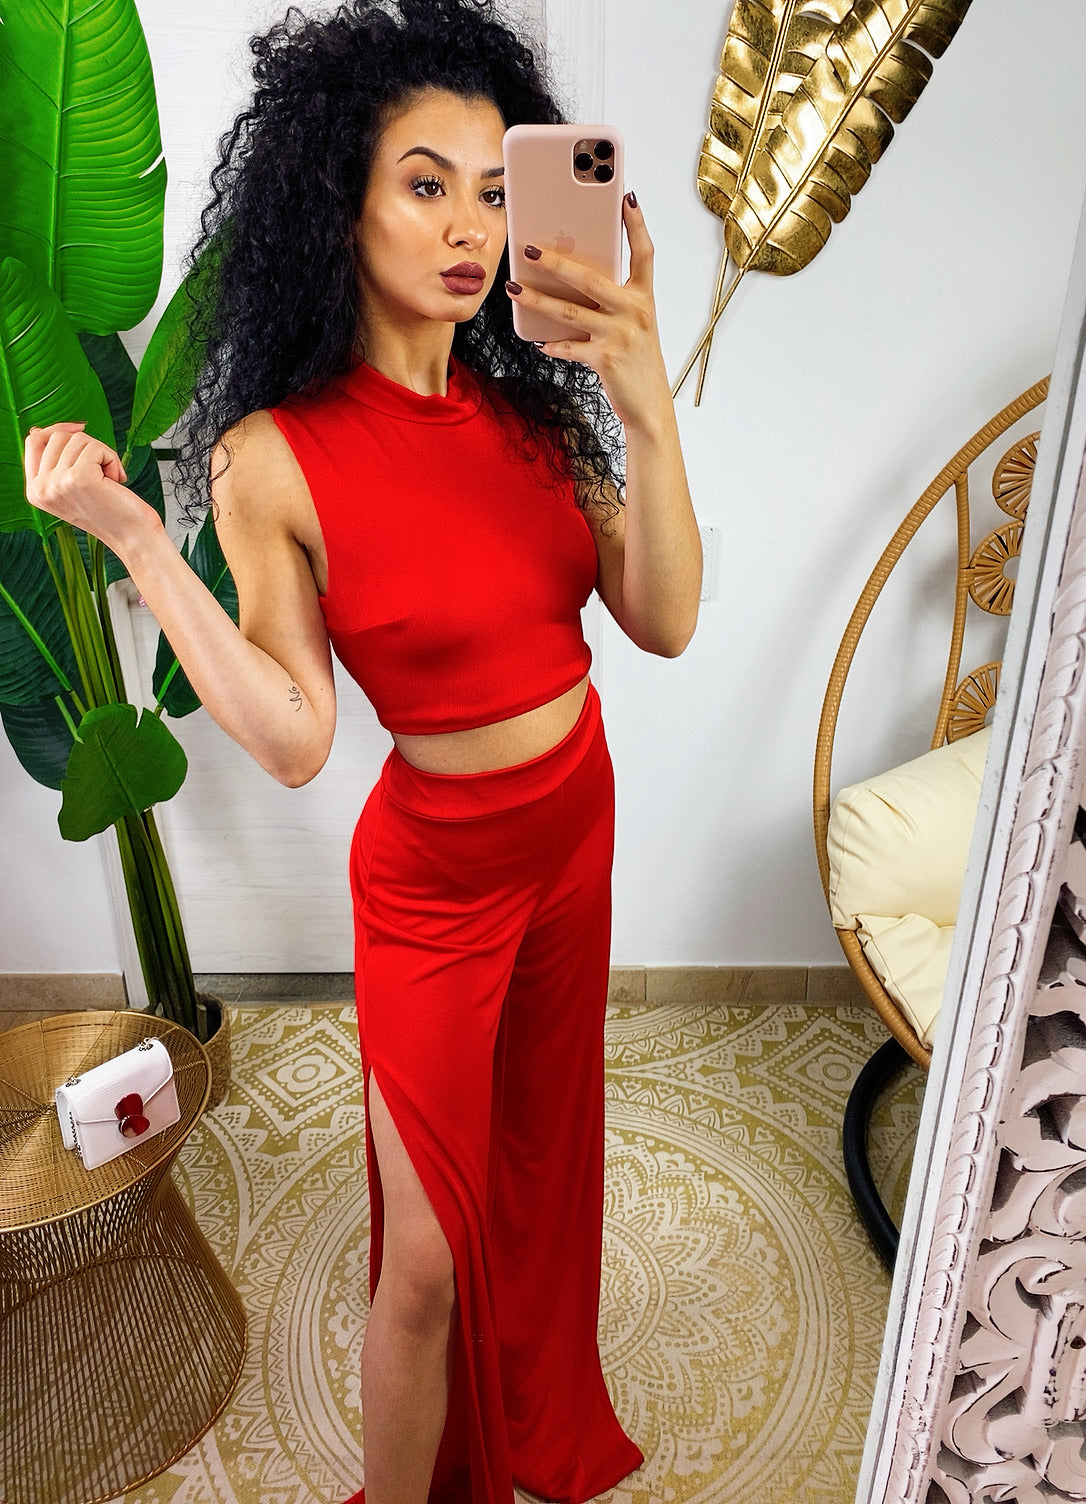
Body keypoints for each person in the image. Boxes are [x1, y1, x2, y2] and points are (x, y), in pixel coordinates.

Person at [23, 1, 700, 1499]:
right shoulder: (274, 455)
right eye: (425, 182)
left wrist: (645, 405)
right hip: (438, 882)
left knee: (544, 1169)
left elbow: (662, 622)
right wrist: (143, 542)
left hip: (574, 828)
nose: (469, 227)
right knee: (428, 1265)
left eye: (495, 192)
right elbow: (293, 737)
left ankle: (531, 1421)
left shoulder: (542, 414)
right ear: (339, 200)